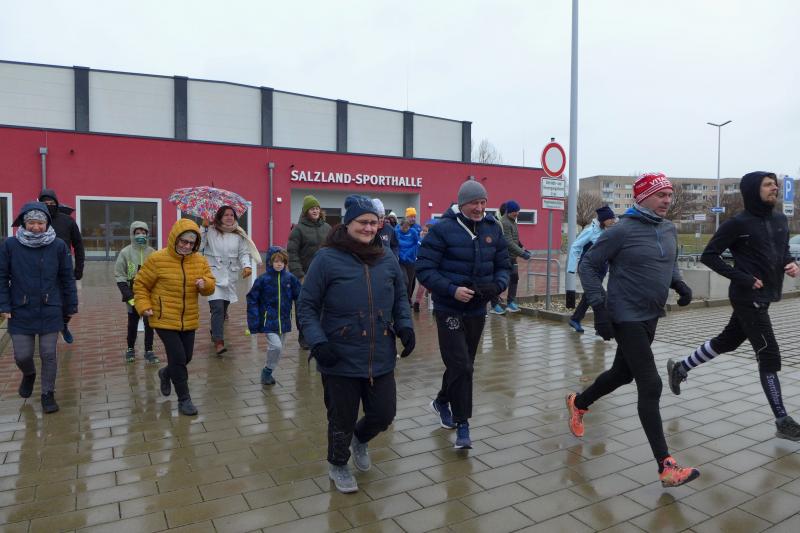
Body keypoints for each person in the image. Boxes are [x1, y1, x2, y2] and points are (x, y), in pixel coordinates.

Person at [566, 172, 700, 488]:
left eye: (669, 194)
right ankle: (666, 467)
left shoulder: (668, 228)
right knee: (651, 384)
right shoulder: (621, 230)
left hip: (651, 314)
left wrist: (679, 284)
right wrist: (599, 306)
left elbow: (670, 261)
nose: (667, 200)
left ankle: (579, 403)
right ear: (642, 197)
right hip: (625, 315)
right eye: (660, 194)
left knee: (621, 374)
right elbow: (588, 265)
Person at [667, 171, 800, 440]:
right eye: (768, 184)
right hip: (746, 297)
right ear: (753, 190)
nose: (774, 187)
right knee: (769, 355)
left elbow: (782, 250)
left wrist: (791, 263)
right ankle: (782, 420)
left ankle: (680, 368)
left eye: (775, 184)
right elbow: (709, 256)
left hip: (766, 296)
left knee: (727, 342)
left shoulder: (779, 219)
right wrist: (744, 278)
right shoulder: (738, 223)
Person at [298, 195, 414, 494]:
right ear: (348, 223)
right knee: (341, 418)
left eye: (374, 223)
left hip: (380, 351)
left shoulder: (386, 257)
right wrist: (318, 342)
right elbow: (307, 306)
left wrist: (405, 325)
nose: (369, 228)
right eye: (363, 222)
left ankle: (360, 439)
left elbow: (400, 297)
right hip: (339, 355)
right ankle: (338, 464)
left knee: (384, 414)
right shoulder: (327, 258)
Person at [416, 180, 510, 449]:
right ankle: (463, 425)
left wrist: (497, 285)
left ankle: (441, 401)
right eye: (474, 203)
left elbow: (504, 265)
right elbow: (424, 269)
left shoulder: (493, 228)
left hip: (477, 309)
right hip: (449, 308)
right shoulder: (442, 229)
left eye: (483, 202)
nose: (479, 208)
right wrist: (452, 289)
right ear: (462, 203)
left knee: (464, 364)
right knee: (462, 366)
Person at [0, 202, 78, 414]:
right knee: (22, 355)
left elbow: (67, 278)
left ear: (47, 223)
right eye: (31, 222)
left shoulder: (58, 246)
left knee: (48, 354)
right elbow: (2, 277)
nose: (36, 227)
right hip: (20, 308)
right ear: (24, 223)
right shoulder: (10, 245)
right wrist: (4, 304)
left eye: (40, 223)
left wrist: (71, 305)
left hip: (50, 307)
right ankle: (29, 374)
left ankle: (47, 394)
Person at [134, 219, 215, 416]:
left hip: (189, 318)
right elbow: (141, 284)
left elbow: (211, 284)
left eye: (191, 243)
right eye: (183, 241)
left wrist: (205, 284)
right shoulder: (157, 259)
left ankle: (165, 372)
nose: (187, 246)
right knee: (178, 358)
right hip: (163, 317)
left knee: (186, 357)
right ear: (175, 239)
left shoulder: (199, 261)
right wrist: (144, 306)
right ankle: (184, 399)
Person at [200, 206, 258, 356]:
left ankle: (215, 330)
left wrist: (246, 266)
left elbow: (243, 252)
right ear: (219, 217)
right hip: (213, 276)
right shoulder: (210, 230)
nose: (229, 217)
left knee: (223, 308)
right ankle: (219, 342)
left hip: (230, 277)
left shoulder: (238, 233)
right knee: (217, 308)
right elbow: (199, 246)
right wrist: (203, 228)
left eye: (232, 215)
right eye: (226, 215)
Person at [246, 246, 301, 386]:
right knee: (276, 347)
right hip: (268, 321)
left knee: (279, 349)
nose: (279, 264)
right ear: (270, 262)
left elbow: (300, 296)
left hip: (284, 321)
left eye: (281, 261)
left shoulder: (290, 279)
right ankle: (267, 370)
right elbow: (252, 299)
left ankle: (268, 372)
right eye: (276, 261)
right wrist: (254, 321)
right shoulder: (263, 280)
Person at [38, 189, 84, 344]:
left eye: (51, 203)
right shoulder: (36, 222)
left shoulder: (67, 221)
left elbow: (78, 245)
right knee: (45, 300)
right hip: (41, 268)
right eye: (45, 203)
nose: (48, 206)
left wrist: (79, 268)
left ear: (56, 203)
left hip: (64, 267)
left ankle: (64, 324)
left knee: (68, 302)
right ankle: (47, 330)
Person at [288, 195, 332, 350]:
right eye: (312, 208)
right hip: (305, 275)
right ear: (306, 211)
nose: (315, 211)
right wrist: (299, 275)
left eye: (317, 208)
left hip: (324, 275)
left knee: (323, 306)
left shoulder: (327, 228)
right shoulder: (298, 229)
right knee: (304, 307)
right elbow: (292, 253)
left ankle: (320, 334)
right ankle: (304, 336)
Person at [566, 206, 617, 332]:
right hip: (588, 269)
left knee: (590, 295)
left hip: (601, 270)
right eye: (611, 218)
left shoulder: (606, 231)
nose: (613, 220)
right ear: (603, 219)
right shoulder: (590, 231)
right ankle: (601, 327)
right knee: (600, 297)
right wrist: (571, 267)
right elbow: (575, 246)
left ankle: (575, 319)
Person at [114, 221, 158, 364]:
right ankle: (130, 348)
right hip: (132, 295)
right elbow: (120, 275)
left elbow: (158, 272)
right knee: (132, 323)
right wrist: (127, 294)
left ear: (147, 234)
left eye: (143, 233)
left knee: (149, 323)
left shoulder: (152, 253)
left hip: (149, 294)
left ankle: (149, 350)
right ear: (132, 234)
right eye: (137, 233)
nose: (141, 235)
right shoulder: (125, 253)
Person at [489, 200, 531, 315]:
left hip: (512, 257)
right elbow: (508, 242)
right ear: (508, 211)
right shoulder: (505, 223)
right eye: (514, 211)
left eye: (518, 211)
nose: (517, 213)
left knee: (514, 278)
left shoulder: (513, 222)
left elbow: (515, 239)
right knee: (500, 280)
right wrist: (522, 254)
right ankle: (494, 304)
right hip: (504, 257)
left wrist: (523, 248)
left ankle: (511, 302)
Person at [413, 221, 436, 312]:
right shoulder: (421, 241)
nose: (424, 232)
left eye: (426, 231)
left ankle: (432, 305)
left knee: (431, 285)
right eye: (423, 231)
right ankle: (417, 303)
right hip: (422, 264)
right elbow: (417, 252)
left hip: (431, 265)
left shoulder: (435, 241)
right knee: (422, 285)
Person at [395, 220, 421, 302]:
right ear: (400, 226)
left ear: (409, 227)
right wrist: (399, 255)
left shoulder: (413, 232)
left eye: (407, 228)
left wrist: (410, 253)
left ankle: (408, 299)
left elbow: (417, 243)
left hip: (411, 260)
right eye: (403, 228)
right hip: (400, 261)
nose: (405, 229)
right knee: (404, 280)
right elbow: (395, 245)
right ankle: (401, 298)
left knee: (410, 281)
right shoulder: (396, 232)